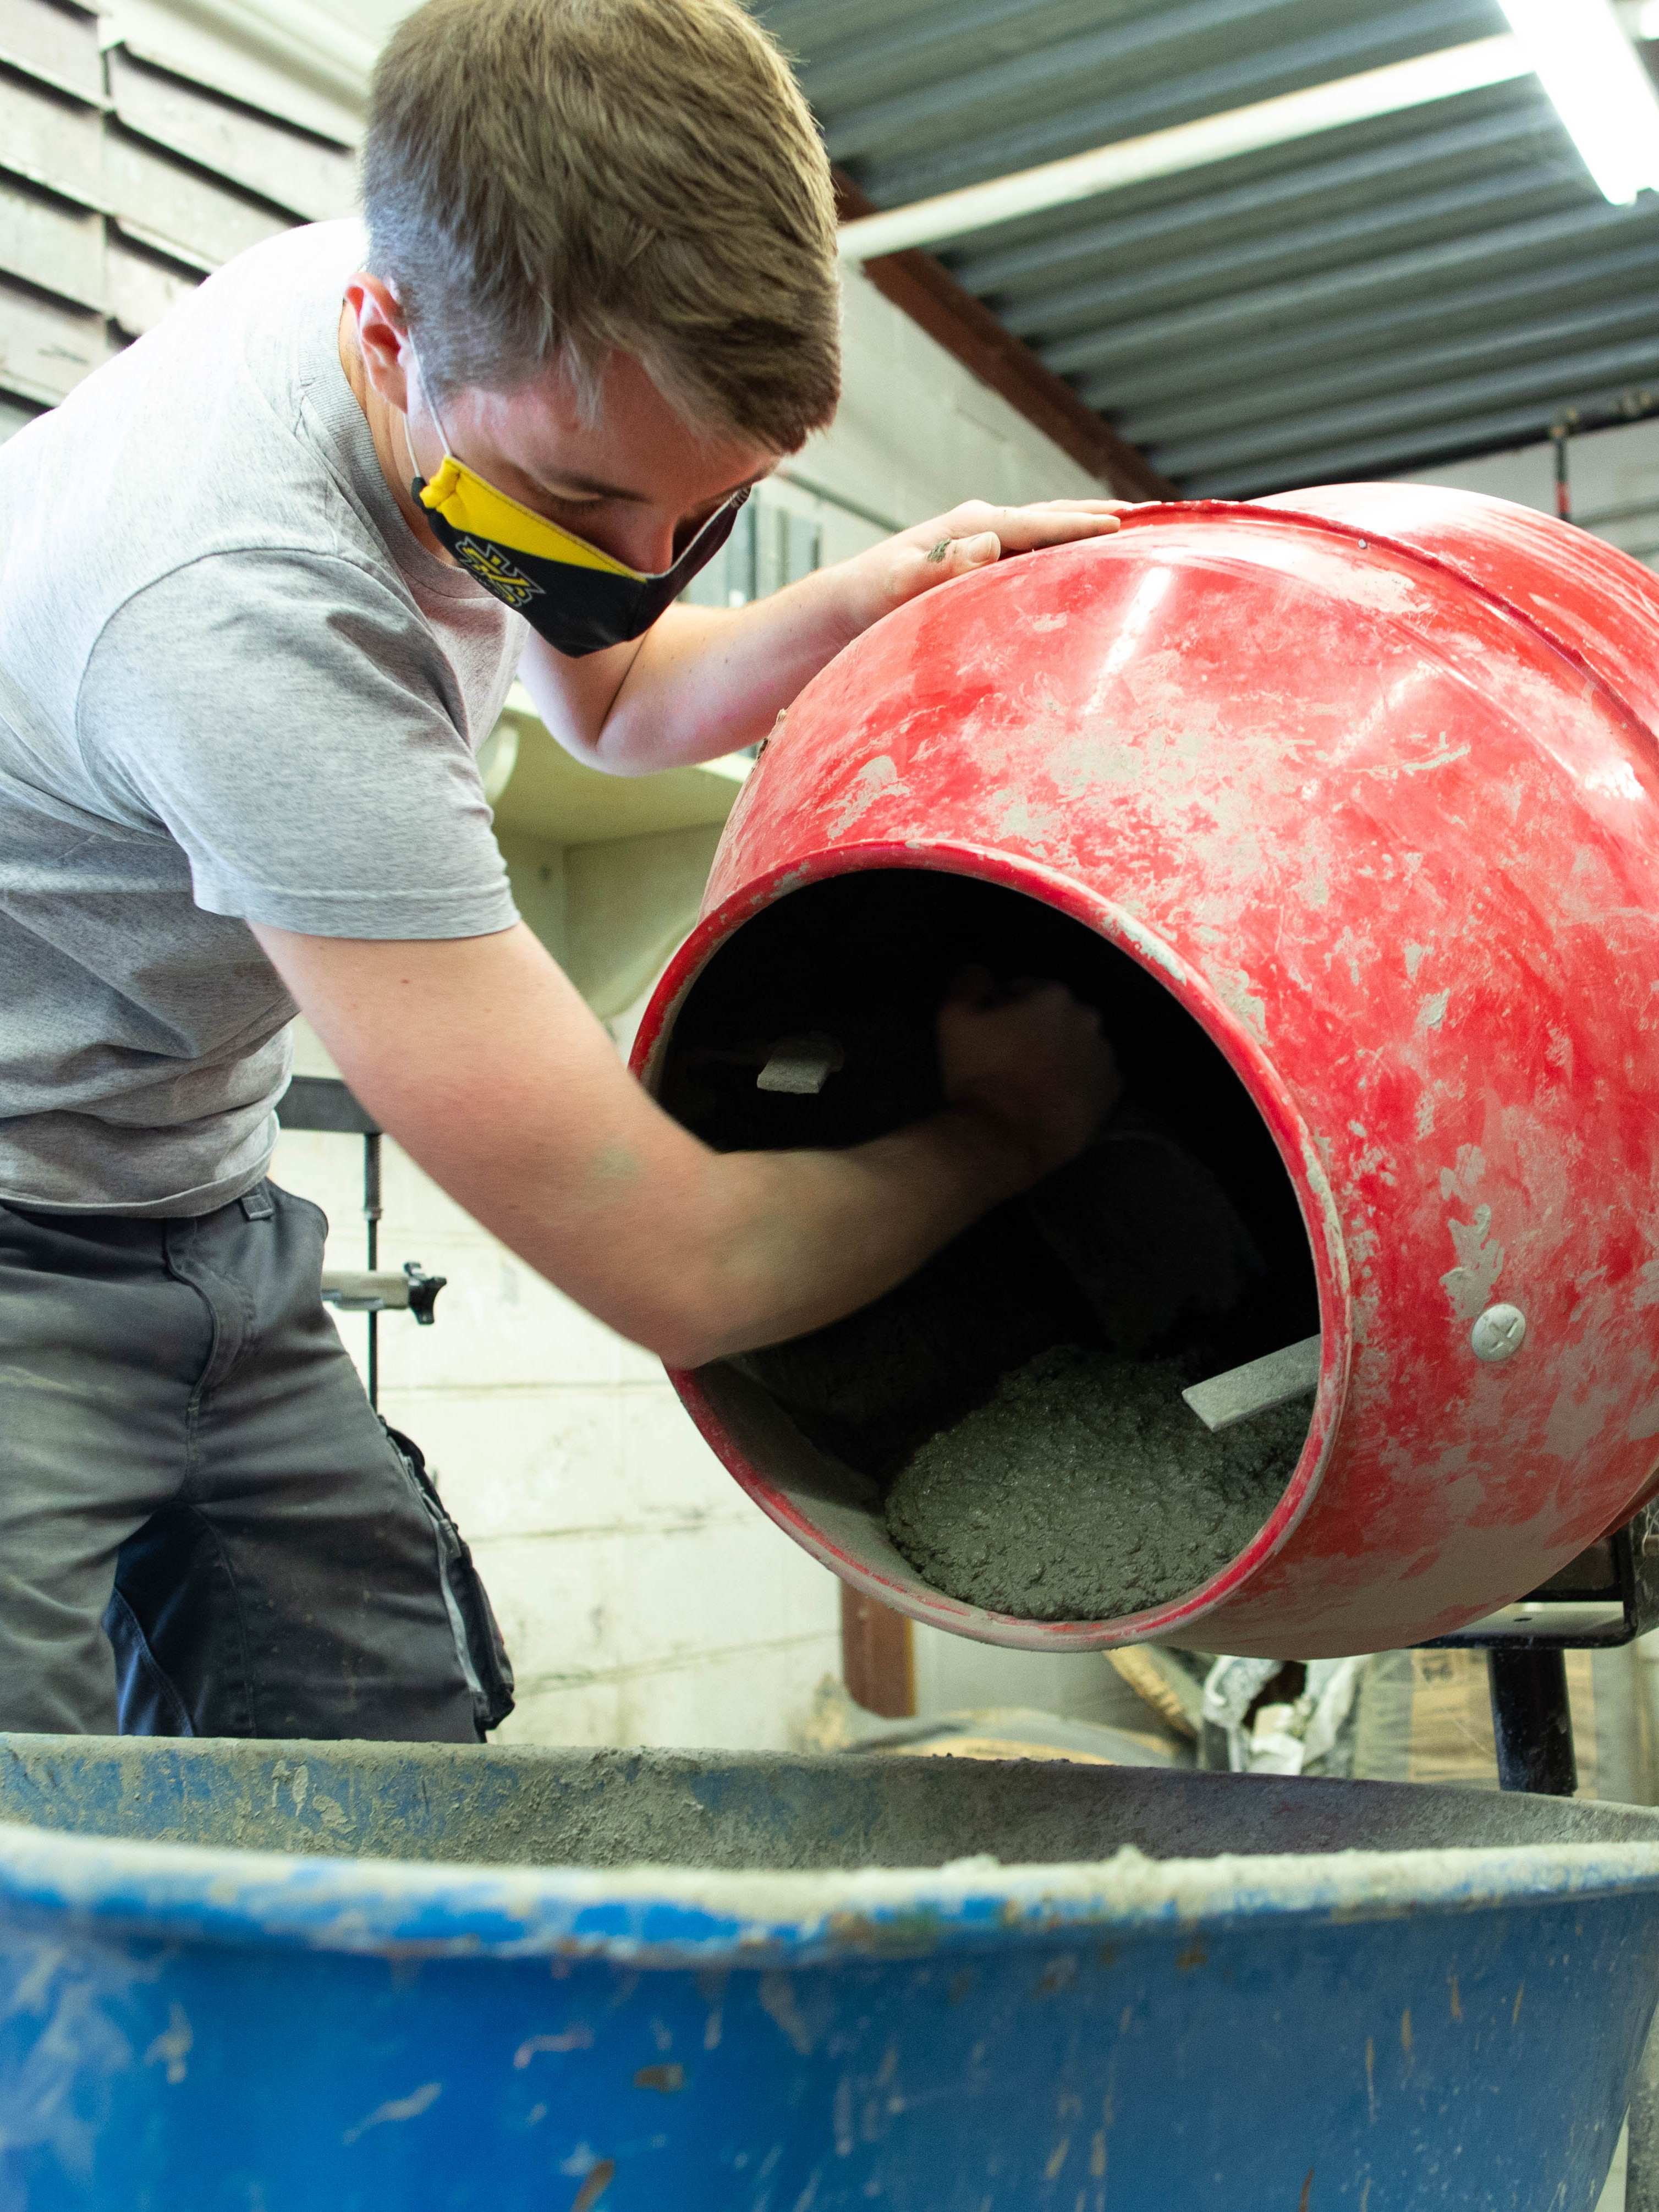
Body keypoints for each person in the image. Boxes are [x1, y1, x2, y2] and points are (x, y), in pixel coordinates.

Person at [0, 0, 1120, 1742]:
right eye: (590, 503)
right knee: (40, 1880)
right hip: (15, 1238)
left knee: (396, 1762)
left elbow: (605, 698)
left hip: (195, 1208)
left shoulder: (477, 336)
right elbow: (674, 1259)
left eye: (711, 507)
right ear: (387, 338)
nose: (648, 562)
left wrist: (860, 599)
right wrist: (1012, 1131)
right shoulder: (247, 620)